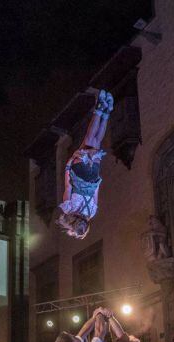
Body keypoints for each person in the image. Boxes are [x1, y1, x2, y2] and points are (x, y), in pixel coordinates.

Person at [56, 90, 113, 240]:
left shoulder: (92, 212)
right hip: (79, 173)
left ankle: (106, 112)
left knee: (96, 142)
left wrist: (96, 172)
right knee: (89, 139)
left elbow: (96, 190)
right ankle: (100, 107)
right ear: (72, 224)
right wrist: (69, 165)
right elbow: (68, 186)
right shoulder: (68, 209)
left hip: (93, 177)